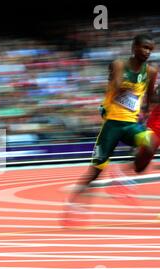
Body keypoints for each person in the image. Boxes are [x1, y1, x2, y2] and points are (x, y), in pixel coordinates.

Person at [64, 34, 158, 227]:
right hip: (112, 126)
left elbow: (151, 98)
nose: (147, 52)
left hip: (131, 125)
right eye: (144, 47)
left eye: (150, 49)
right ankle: (74, 203)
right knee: (95, 171)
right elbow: (115, 86)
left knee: (151, 144)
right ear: (134, 47)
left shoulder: (151, 72)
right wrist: (124, 90)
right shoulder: (119, 65)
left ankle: (121, 177)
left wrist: (151, 102)